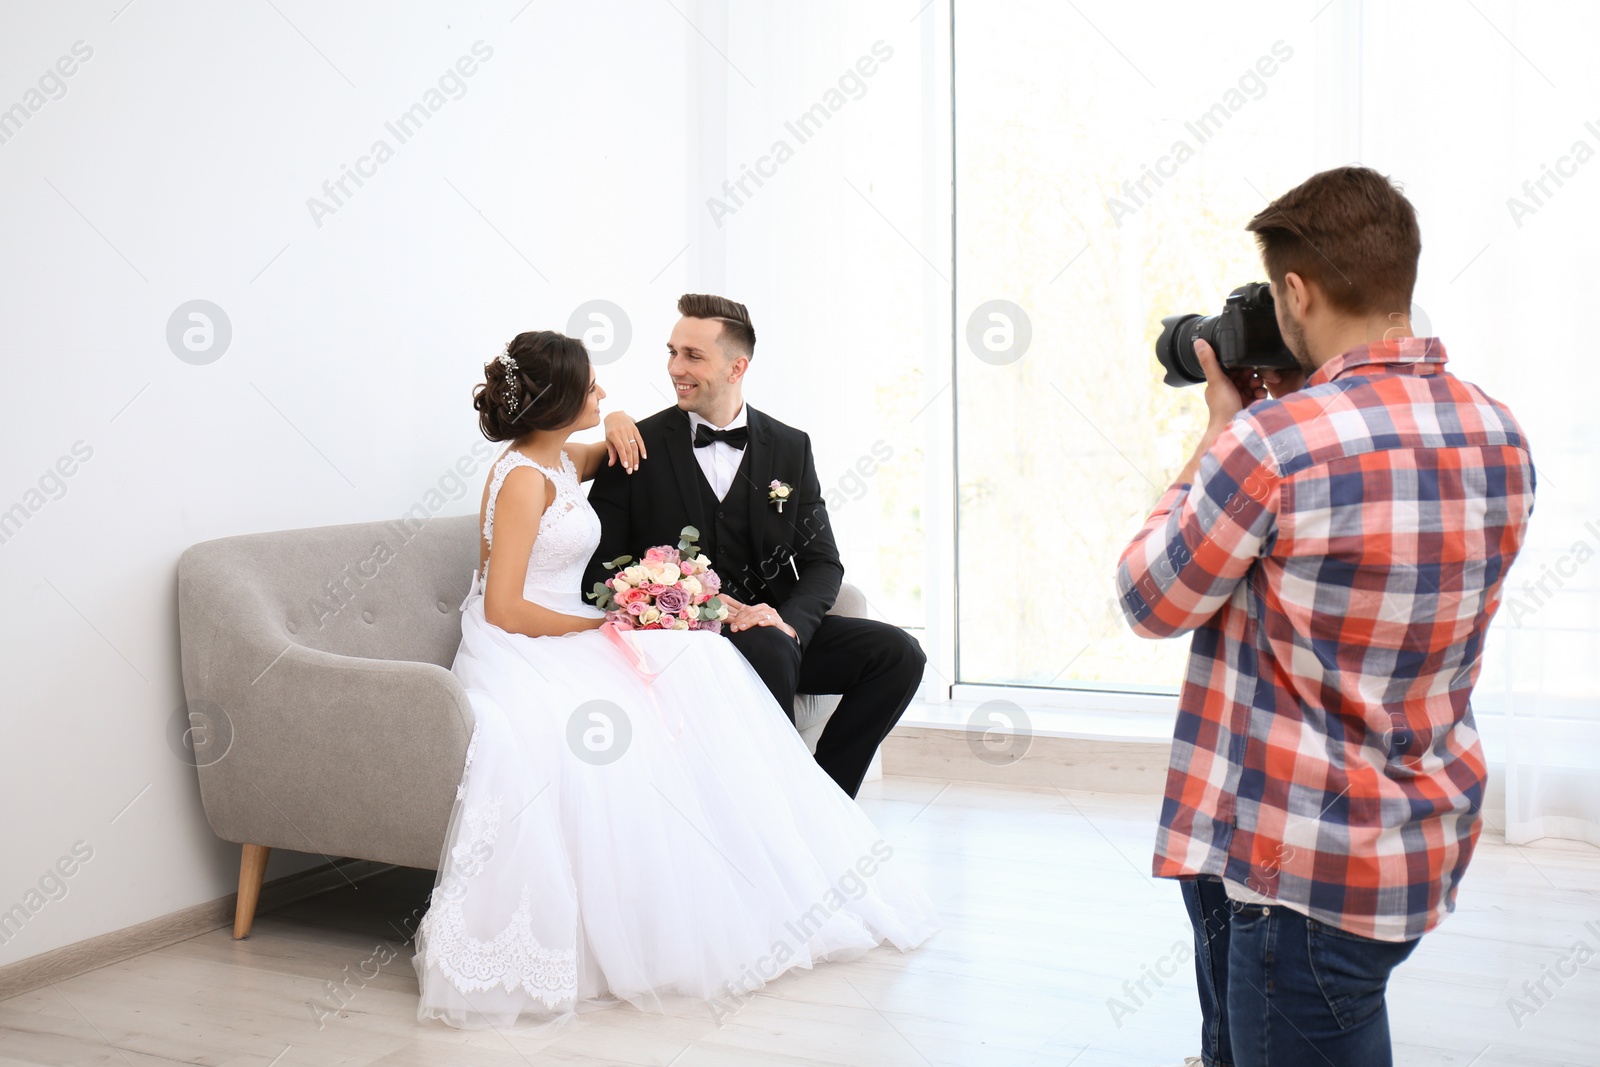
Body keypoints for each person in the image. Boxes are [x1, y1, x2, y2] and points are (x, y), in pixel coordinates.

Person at [1114, 167, 1535, 1067]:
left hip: (1293, 868)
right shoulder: (1500, 433)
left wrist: (1219, 431)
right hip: (1415, 843)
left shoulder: (1274, 445)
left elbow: (1149, 597)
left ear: (1295, 292)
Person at [411, 329, 939, 1030]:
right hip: (524, 640)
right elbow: (505, 606)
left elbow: (606, 443)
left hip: (575, 625)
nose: (605, 392)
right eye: (593, 386)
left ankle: (774, 840)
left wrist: (619, 420)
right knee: (632, 727)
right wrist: (602, 628)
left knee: (708, 668)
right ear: (559, 400)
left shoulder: (562, 456)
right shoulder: (520, 480)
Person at [584, 293, 926, 798]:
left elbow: (822, 561)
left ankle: (826, 800)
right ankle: (777, 811)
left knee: (900, 654)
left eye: (693, 356)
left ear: (737, 366)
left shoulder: (790, 446)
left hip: (774, 632)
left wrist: (788, 621)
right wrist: (701, 608)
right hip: (681, 641)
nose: (675, 367)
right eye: (672, 351)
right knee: (768, 648)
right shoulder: (636, 446)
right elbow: (602, 573)